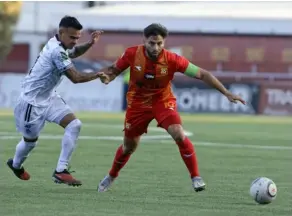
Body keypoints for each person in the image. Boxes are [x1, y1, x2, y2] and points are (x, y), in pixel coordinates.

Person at [97, 23, 246, 193]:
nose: (155, 47)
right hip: (137, 104)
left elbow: (203, 74)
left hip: (162, 101)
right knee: (129, 147)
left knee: (178, 133)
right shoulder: (132, 53)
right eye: (152, 43)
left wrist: (226, 92)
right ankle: (111, 176)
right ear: (144, 40)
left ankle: (196, 177)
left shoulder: (173, 59)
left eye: (159, 43)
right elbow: (114, 71)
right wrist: (107, 79)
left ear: (164, 42)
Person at [7, 15, 103, 187]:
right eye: (72, 37)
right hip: (32, 102)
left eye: (77, 38)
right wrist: (97, 74)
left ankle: (61, 170)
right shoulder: (56, 51)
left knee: (74, 125)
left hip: (49, 97)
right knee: (30, 142)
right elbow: (75, 77)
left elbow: (74, 52)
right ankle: (15, 165)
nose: (75, 41)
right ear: (62, 32)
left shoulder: (59, 44)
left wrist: (89, 44)